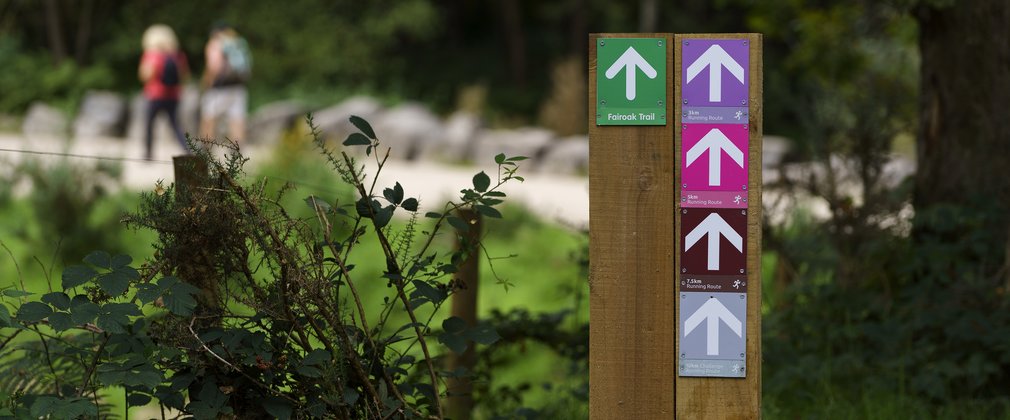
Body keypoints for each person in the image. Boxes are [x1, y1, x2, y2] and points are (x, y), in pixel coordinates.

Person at [139, 24, 191, 160]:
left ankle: (148, 154)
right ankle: (188, 150)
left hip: (155, 95)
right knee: (175, 125)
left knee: (149, 125)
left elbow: (145, 76)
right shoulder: (178, 56)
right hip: (173, 96)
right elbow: (185, 76)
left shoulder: (153, 55)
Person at [200, 22, 252, 146]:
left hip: (219, 89)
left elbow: (214, 67)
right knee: (237, 121)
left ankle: (205, 155)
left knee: (209, 120)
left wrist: (206, 83)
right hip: (238, 88)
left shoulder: (215, 43)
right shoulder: (238, 42)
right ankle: (238, 157)